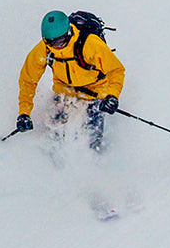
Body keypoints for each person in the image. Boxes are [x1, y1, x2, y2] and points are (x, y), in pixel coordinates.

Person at [14, 11, 126, 152]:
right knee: (52, 131)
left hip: (94, 92)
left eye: (60, 41)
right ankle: (50, 163)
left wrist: (112, 96)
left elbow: (116, 70)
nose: (56, 46)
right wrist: (24, 113)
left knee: (93, 137)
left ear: (68, 33)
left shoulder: (90, 44)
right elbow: (28, 80)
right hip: (64, 91)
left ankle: (96, 160)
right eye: (51, 42)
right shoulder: (45, 49)